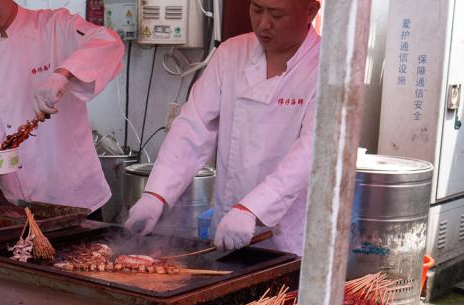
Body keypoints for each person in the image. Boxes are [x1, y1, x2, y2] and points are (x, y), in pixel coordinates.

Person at [125, 0, 321, 255]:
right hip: (228, 227)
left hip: (294, 237)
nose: (263, 24)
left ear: (310, 11)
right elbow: (193, 127)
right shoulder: (231, 53)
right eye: (257, 10)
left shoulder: (327, 68)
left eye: (276, 14)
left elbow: (311, 153)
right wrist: (156, 194)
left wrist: (252, 209)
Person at [0, 0, 124, 212]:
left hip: (76, 197)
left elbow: (109, 41)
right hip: (11, 204)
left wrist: (63, 74)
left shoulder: (54, 25)